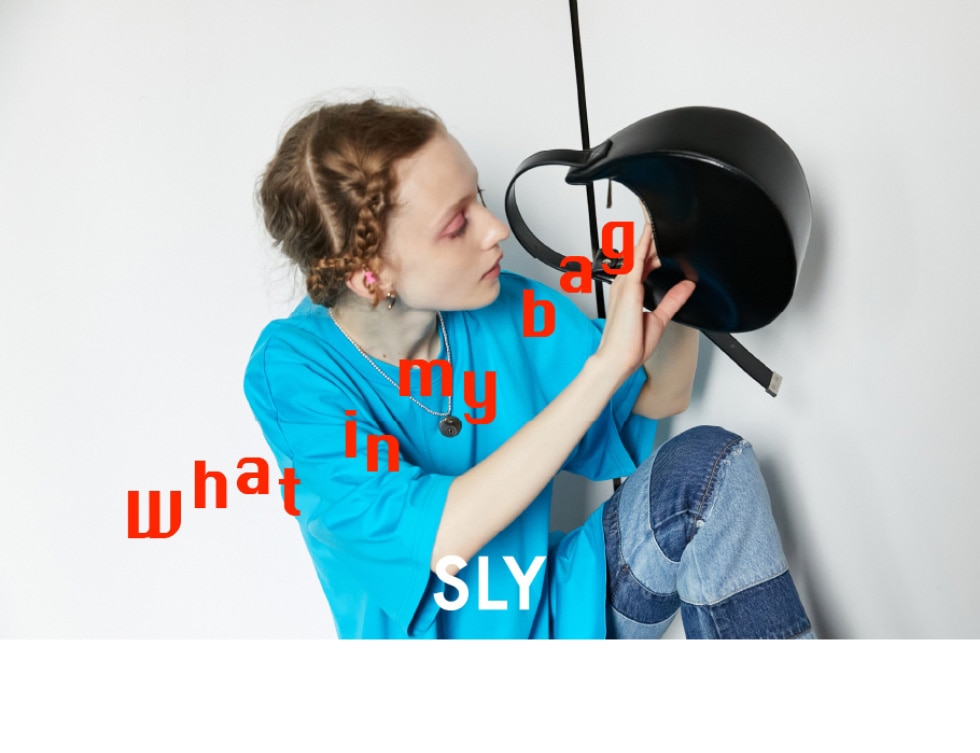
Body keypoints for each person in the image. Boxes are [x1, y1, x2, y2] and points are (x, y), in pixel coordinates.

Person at [244, 98, 814, 639]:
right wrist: (603, 370)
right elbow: (439, 540)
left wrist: (683, 260)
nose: (494, 229)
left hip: (565, 612)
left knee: (707, 468)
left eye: (479, 197)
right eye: (457, 224)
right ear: (371, 277)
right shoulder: (293, 370)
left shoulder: (506, 306)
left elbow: (662, 393)